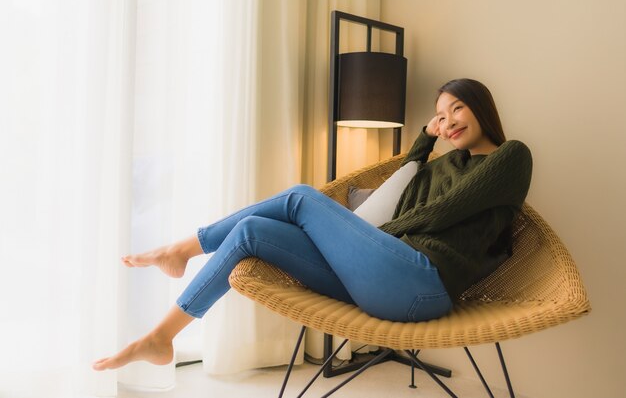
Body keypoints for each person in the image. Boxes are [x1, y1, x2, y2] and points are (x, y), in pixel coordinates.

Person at [93, 78, 532, 371]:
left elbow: (444, 213)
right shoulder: (443, 162)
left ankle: (183, 249)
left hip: (423, 282)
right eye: (441, 115)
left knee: (301, 197)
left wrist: (371, 240)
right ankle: (160, 336)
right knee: (252, 235)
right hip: (385, 281)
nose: (449, 121)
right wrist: (424, 138)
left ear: (480, 108)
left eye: (457, 109)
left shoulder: (513, 156)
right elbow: (409, 182)